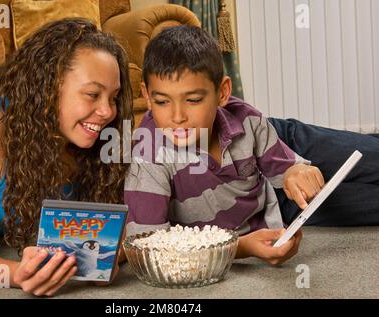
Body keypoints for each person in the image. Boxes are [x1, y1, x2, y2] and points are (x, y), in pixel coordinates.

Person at [124, 25, 379, 266]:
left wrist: (295, 170)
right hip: (279, 207)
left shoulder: (247, 118)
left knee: (371, 155)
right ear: (147, 96)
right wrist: (241, 247)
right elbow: (148, 247)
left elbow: (284, 167)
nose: (177, 116)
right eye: (162, 102)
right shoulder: (149, 156)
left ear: (222, 92)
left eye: (192, 100)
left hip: (277, 143)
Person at [0, 18, 132, 296]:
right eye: (92, 94)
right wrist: (19, 274)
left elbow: (128, 230)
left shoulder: (103, 137)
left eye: (113, 97)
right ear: (48, 85)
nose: (107, 111)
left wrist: (113, 257)